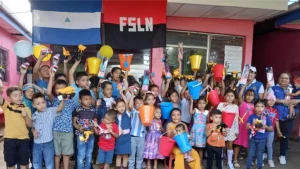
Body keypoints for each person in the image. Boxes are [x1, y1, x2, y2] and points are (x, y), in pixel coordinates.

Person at [267, 72, 300, 164]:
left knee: (285, 136)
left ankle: (282, 155)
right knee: (270, 135)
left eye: (286, 78)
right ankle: (266, 152)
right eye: (282, 78)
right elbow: (270, 99)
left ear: (289, 80)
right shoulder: (273, 88)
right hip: (274, 117)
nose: (284, 80)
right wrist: (282, 101)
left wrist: (296, 101)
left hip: (289, 117)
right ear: (278, 79)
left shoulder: (294, 89)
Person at [47, 69, 77, 169]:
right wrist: (51, 77)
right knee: (57, 154)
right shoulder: (55, 100)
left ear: (67, 89)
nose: (59, 90)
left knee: (66, 154)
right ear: (54, 90)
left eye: (62, 88)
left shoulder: (72, 102)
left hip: (68, 131)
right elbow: (48, 93)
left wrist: (73, 130)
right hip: (55, 130)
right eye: (57, 88)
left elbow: (74, 116)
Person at [0, 86, 32, 169]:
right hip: (9, 140)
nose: (18, 97)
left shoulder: (27, 108)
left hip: (23, 139)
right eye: (15, 95)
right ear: (9, 98)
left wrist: (25, 116)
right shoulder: (6, 106)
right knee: (11, 164)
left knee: (24, 163)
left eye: (20, 95)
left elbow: (30, 125)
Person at [31, 93, 64, 169]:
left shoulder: (50, 111)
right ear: (34, 105)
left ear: (46, 102)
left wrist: (62, 99)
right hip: (37, 143)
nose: (41, 105)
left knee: (49, 162)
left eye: (43, 102)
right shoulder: (34, 115)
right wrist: (33, 131)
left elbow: (60, 108)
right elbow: (32, 127)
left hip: (48, 142)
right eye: (38, 104)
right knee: (36, 162)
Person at [73, 89, 97, 169]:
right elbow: (74, 123)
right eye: (86, 99)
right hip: (81, 134)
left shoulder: (93, 110)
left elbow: (95, 122)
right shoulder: (77, 109)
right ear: (80, 100)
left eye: (90, 99)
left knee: (89, 153)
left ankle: (87, 167)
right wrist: (79, 128)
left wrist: (95, 128)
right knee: (81, 153)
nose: (88, 101)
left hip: (91, 135)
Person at [246, 99, 273, 169]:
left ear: (264, 108)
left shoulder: (266, 118)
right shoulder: (251, 117)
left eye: (262, 106)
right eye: (257, 106)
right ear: (254, 108)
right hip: (252, 139)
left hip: (262, 140)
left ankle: (259, 167)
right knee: (250, 154)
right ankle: (248, 167)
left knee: (260, 155)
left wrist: (266, 126)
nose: (259, 108)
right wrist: (252, 124)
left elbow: (271, 129)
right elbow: (246, 126)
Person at [217, 89, 239, 169]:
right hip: (222, 128)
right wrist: (223, 106)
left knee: (230, 145)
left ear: (234, 97)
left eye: (232, 96)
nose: (230, 98)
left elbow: (236, 119)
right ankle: (220, 161)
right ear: (225, 96)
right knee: (221, 144)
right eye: (228, 96)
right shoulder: (221, 104)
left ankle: (229, 162)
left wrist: (237, 131)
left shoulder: (235, 107)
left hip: (232, 128)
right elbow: (217, 116)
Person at [233, 87, 255, 168]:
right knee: (238, 144)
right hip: (240, 127)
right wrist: (243, 87)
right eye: (247, 95)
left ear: (254, 97)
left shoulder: (254, 106)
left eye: (251, 95)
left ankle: (249, 159)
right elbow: (239, 96)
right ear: (244, 96)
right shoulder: (242, 103)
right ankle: (235, 159)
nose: (249, 97)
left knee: (249, 144)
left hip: (249, 128)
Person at [128, 93, 146, 169]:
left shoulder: (146, 112)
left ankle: (139, 167)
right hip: (133, 136)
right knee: (132, 155)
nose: (139, 105)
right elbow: (129, 106)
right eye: (137, 103)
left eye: (141, 103)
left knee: (140, 155)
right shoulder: (134, 111)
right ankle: (131, 167)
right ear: (134, 104)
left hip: (142, 136)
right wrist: (132, 95)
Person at [263, 93, 281, 167]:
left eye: (273, 100)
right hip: (262, 130)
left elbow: (276, 121)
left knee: (269, 145)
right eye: (269, 100)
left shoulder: (275, 110)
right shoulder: (263, 109)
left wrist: (279, 131)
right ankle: (259, 159)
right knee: (261, 145)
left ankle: (270, 159)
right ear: (266, 101)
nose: (271, 101)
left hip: (271, 131)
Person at [189, 96, 208, 166]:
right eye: (200, 103)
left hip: (202, 131)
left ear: (206, 104)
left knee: (201, 148)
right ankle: (192, 162)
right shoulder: (195, 110)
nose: (201, 105)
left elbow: (208, 122)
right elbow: (190, 112)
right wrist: (191, 102)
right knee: (193, 147)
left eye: (203, 103)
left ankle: (200, 163)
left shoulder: (207, 112)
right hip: (195, 130)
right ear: (197, 104)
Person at [114, 90, 131, 169]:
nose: (122, 108)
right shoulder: (115, 116)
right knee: (118, 155)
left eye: (123, 106)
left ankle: (124, 167)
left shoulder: (127, 113)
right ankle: (117, 167)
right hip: (118, 137)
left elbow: (127, 103)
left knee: (125, 155)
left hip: (126, 137)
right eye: (119, 106)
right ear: (116, 108)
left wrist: (121, 94)